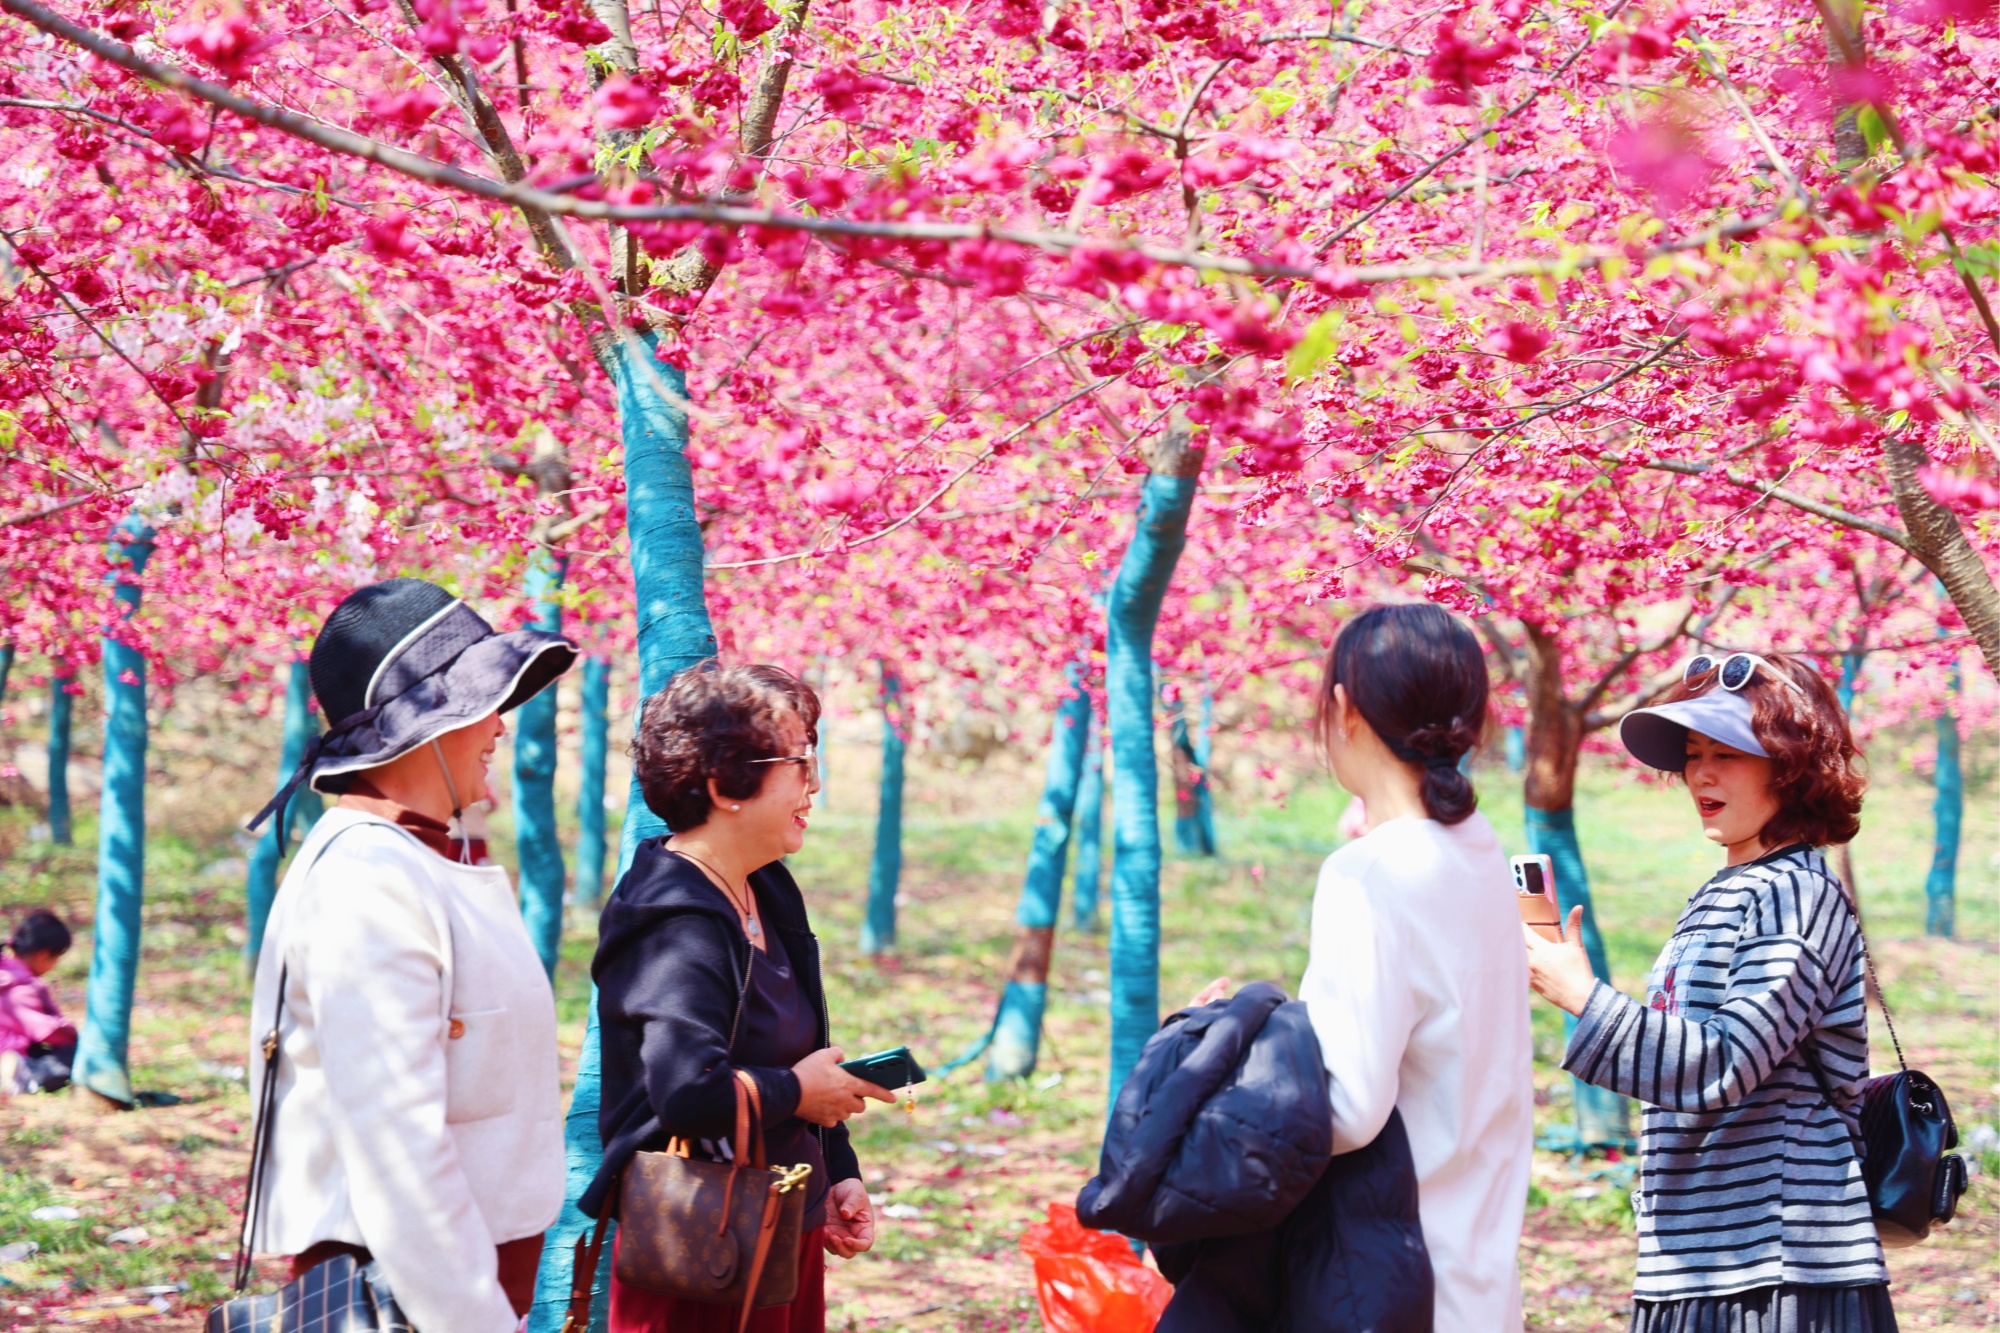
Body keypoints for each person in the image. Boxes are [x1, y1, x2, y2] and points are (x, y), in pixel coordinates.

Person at [244, 577, 576, 1333]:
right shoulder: (368, 881)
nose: (500, 726)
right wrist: (477, 1321)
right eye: (485, 703)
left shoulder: (411, 861)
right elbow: (398, 1152)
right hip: (409, 1299)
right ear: (428, 722)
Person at [1524, 651, 1891, 1332]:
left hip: (1778, 1262)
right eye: (1693, 755)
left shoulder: (1796, 893)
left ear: (1792, 765)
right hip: (1701, 1255)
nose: (1701, 774)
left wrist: (1585, 999)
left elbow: (1727, 1060)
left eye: (1727, 753)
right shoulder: (1728, 891)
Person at [1197, 603, 1534, 1331]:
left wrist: (1217, 1052)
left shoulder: (1370, 872)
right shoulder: (1479, 848)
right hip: (1478, 1270)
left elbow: (1346, 1107)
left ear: (1346, 708)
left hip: (1393, 1277)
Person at [582, 660, 891, 1333]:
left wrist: (837, 1168)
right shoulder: (673, 919)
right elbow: (687, 1093)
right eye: (799, 763)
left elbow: (796, 1056)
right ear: (725, 786)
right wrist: (798, 1091)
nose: (815, 785)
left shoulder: (767, 887)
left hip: (783, 1217)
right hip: (702, 1242)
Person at [0, 910, 77, 1094]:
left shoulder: (7, 970)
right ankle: (18, 1078)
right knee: (72, 1055)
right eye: (56, 959)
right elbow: (48, 1032)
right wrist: (74, 1034)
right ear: (43, 955)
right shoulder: (19, 988)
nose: (55, 966)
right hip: (9, 1055)